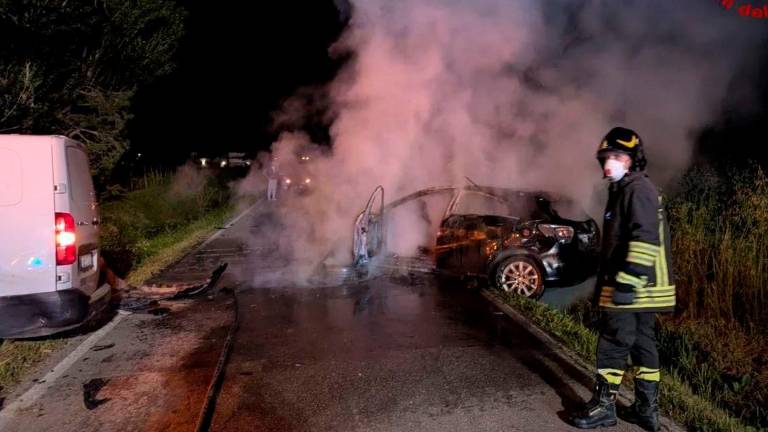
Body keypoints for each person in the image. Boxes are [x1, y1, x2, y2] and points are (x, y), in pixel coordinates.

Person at [570, 127, 675, 432]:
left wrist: (627, 282)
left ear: (632, 160)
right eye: (605, 157)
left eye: (617, 156)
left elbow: (645, 239)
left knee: (614, 343)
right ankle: (646, 409)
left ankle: (604, 408)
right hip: (646, 289)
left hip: (631, 288)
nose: (608, 164)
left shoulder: (636, 190)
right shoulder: (629, 189)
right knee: (643, 345)